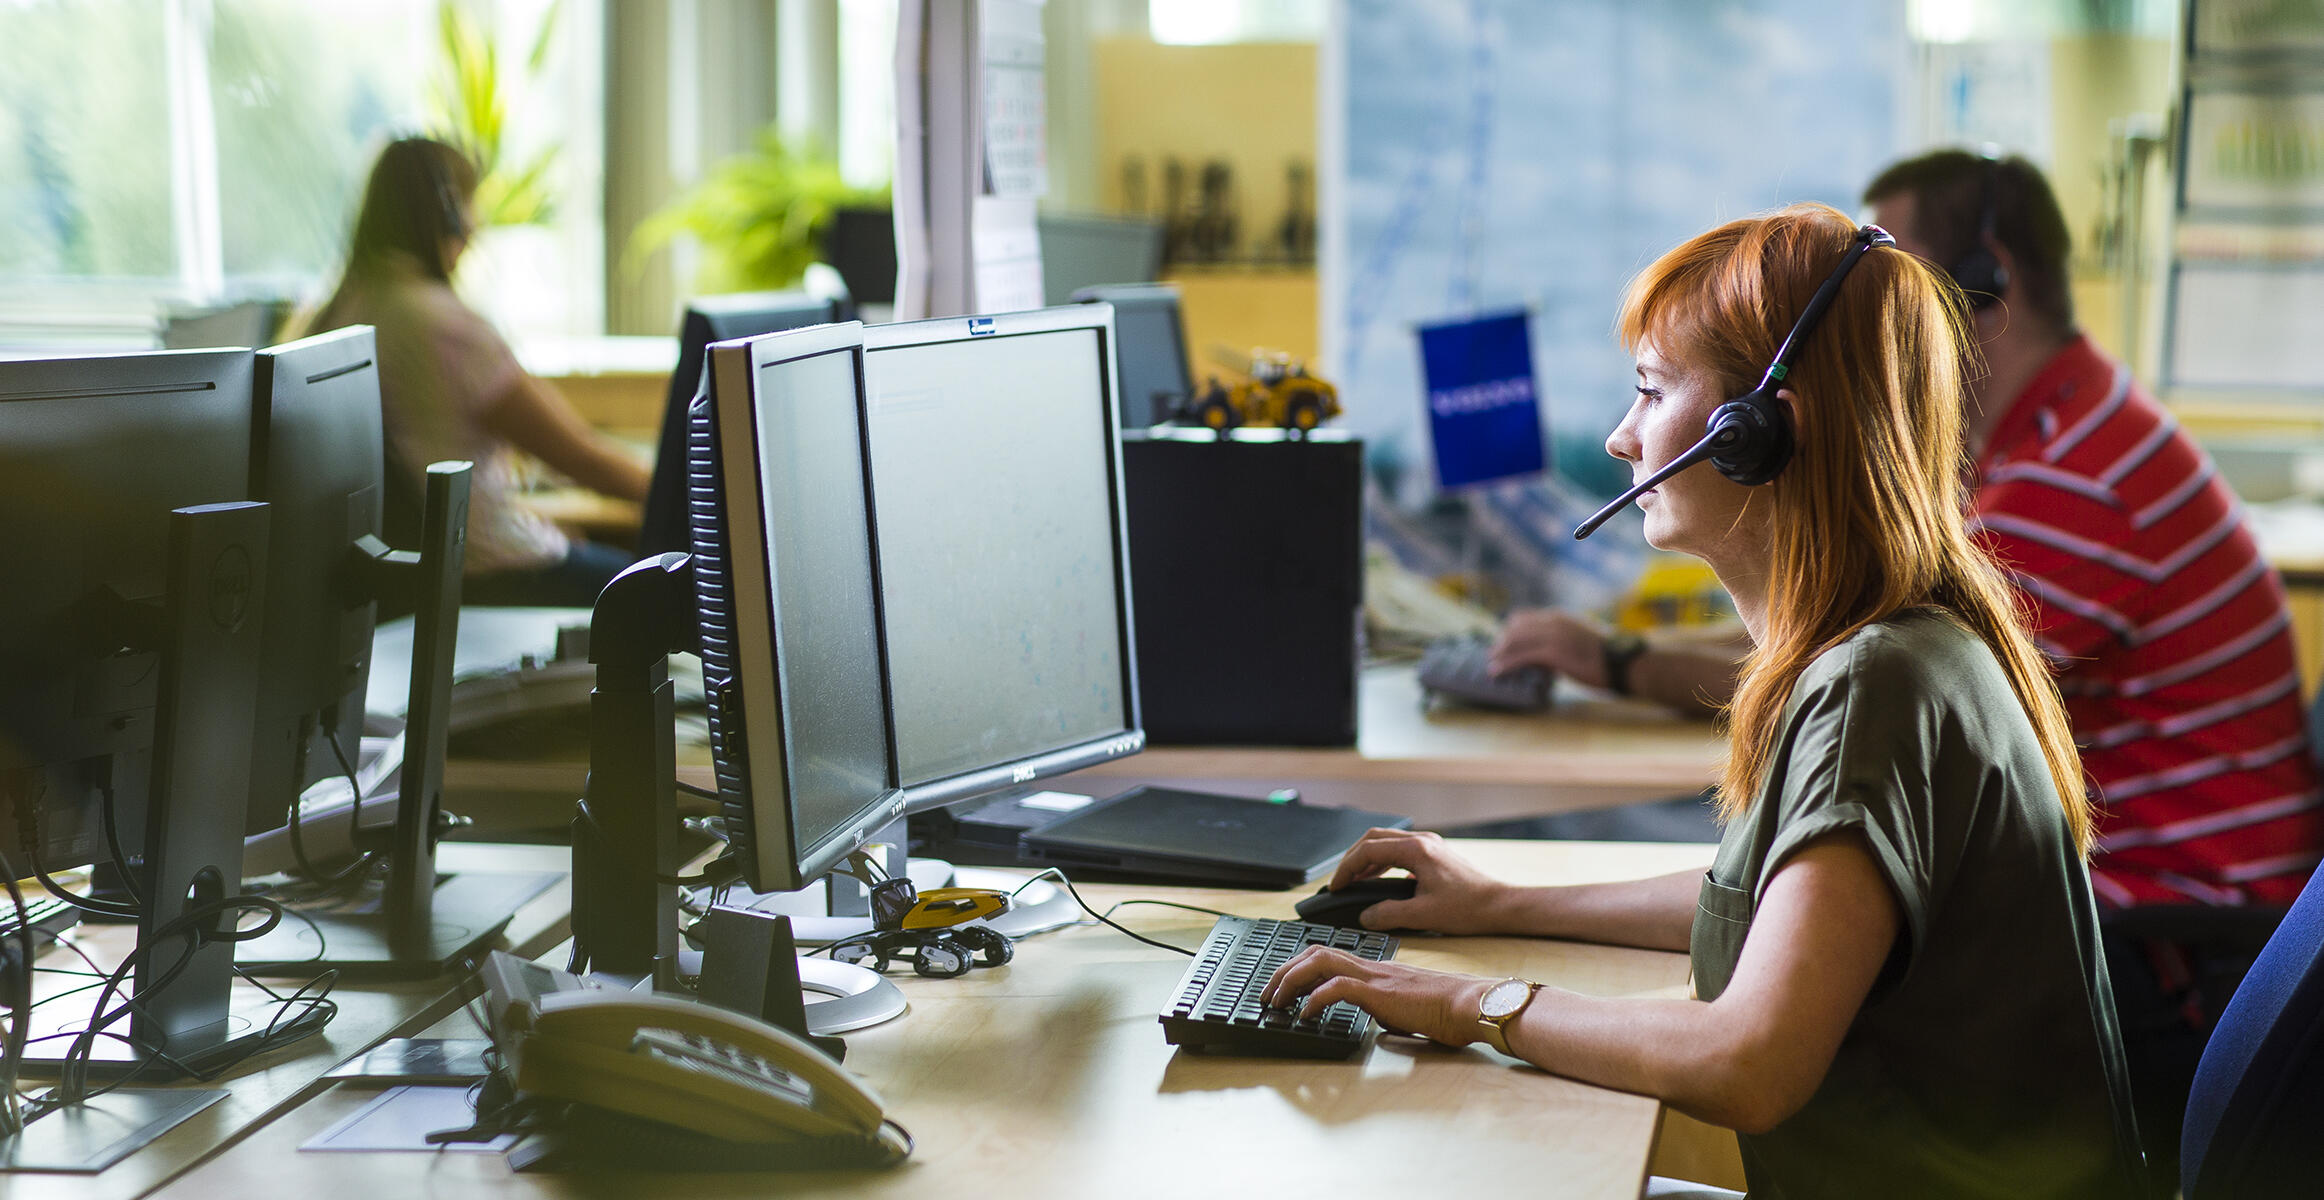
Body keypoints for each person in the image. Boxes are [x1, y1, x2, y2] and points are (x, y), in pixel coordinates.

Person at [1268, 204, 2143, 1198]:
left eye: (1648, 393)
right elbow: (1784, 913)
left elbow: (1746, 1060)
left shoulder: (1876, 682)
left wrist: (1465, 1004)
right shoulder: (1896, 639)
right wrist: (1497, 904)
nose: (1617, 437)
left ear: (1757, 432)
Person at [1495, 151, 2323, 912]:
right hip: (2112, 887)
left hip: (2175, 920)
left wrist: (1615, 662)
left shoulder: (2077, 475)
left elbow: (1869, 672)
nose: (1843, 319)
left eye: (1891, 278)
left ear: (1982, 281)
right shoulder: (2055, 428)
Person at [311, 136, 649, 607]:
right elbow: (582, 458)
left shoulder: (333, 314)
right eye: (469, 204)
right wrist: (692, 497)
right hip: (484, 570)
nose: (476, 223)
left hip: (397, 578)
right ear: (448, 215)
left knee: (576, 542)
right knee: (669, 598)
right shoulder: (446, 327)